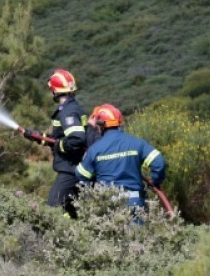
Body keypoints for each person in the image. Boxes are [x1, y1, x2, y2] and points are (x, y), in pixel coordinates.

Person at [23, 69, 88, 218]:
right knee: (73, 210)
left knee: (53, 207)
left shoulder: (68, 112)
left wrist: (59, 144)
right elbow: (58, 137)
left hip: (70, 170)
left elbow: (76, 139)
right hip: (75, 167)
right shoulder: (71, 108)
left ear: (55, 91)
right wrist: (39, 137)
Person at [75, 104, 166, 211]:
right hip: (135, 202)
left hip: (108, 205)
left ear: (101, 126)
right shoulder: (136, 143)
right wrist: (155, 181)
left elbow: (81, 174)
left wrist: (91, 191)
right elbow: (159, 162)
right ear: (119, 123)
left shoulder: (94, 150)